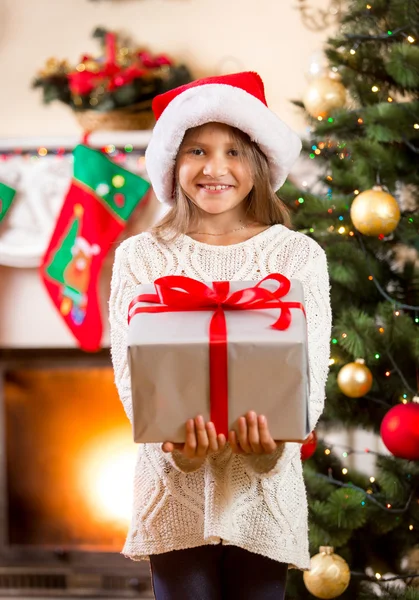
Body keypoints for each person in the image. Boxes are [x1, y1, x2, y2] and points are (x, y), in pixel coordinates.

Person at [109, 71, 332, 600]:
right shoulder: (140, 257)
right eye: (196, 151)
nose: (215, 168)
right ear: (172, 162)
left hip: (265, 497)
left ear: (257, 160)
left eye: (234, 151)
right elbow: (128, 376)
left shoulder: (297, 257)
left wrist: (270, 449)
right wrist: (176, 451)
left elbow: (311, 380)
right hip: (171, 496)